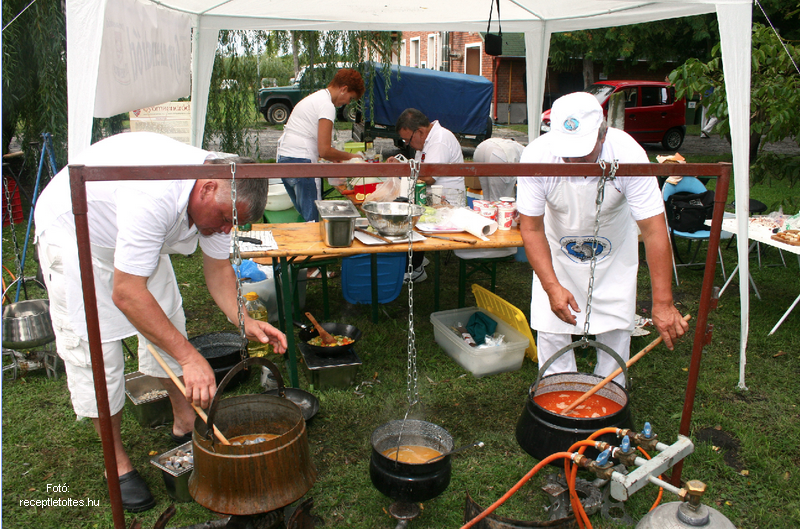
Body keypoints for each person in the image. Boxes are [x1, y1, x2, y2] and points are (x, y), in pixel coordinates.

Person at [34, 132, 288, 513]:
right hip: (75, 233)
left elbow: (219, 270)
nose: (225, 229)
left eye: (230, 224)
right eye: (224, 220)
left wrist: (245, 320)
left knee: (168, 317)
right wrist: (189, 357)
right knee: (99, 354)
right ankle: (116, 463)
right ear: (206, 189)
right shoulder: (155, 194)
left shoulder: (222, 196)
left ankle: (184, 422)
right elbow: (127, 293)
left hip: (132, 234)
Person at [517, 92, 688, 386]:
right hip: (558, 253)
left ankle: (610, 390)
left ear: (603, 134)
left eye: (582, 153)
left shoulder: (629, 154)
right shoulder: (536, 156)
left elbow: (653, 229)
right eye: (566, 153)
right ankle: (557, 391)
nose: (573, 161)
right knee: (552, 329)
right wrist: (551, 286)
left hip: (614, 253)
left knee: (616, 330)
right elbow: (531, 229)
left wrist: (662, 302)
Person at [276, 68, 366, 223]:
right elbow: (324, 150)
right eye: (350, 98)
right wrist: (351, 156)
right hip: (302, 162)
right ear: (343, 89)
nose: (347, 103)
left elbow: (314, 141)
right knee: (312, 221)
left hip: (284, 158)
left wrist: (334, 157)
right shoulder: (327, 105)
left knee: (304, 217)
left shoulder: (316, 98)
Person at [388, 108, 465, 282]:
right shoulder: (427, 141)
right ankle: (415, 257)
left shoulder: (439, 141)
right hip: (434, 198)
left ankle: (415, 267)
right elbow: (418, 169)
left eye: (408, 140)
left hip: (447, 204)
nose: (408, 144)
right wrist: (402, 163)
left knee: (407, 214)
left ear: (420, 132)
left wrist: (401, 169)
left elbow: (428, 177)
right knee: (403, 204)